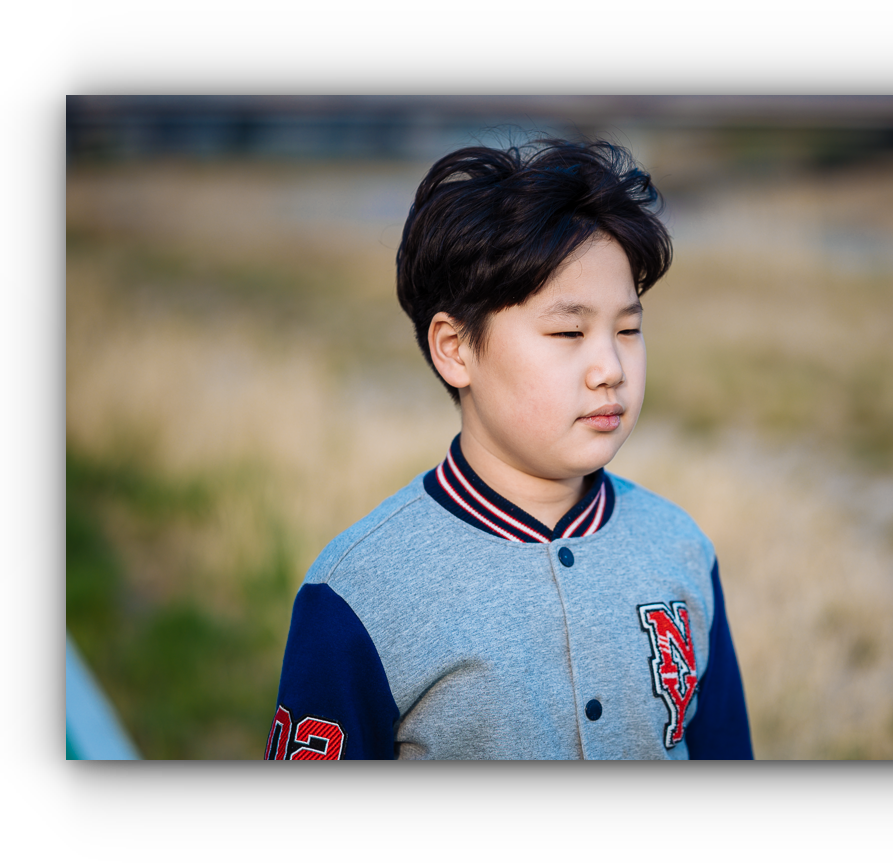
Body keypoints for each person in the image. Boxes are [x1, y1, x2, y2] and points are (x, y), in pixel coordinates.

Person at [266, 139, 753, 759]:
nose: (610, 368)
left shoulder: (679, 549)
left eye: (628, 329)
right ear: (455, 349)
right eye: (568, 331)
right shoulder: (361, 591)